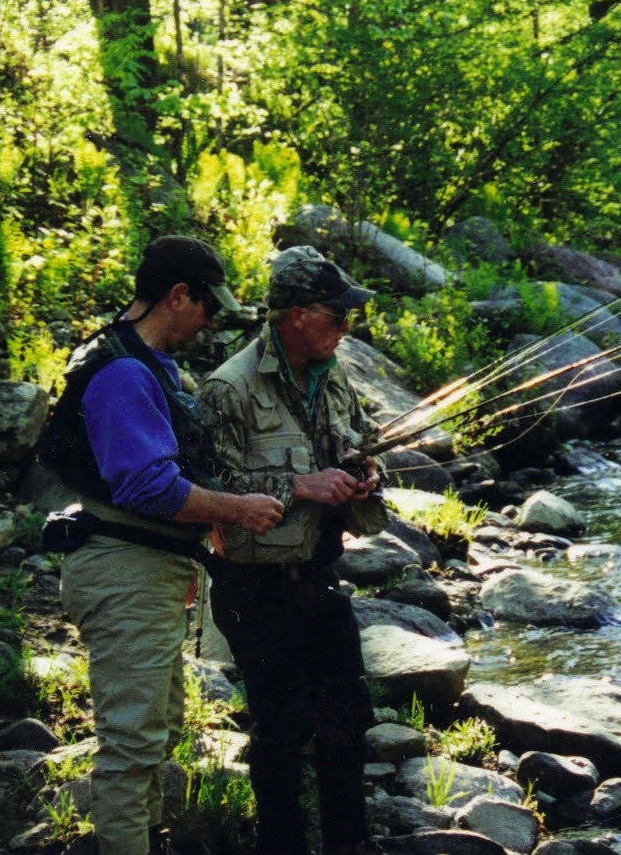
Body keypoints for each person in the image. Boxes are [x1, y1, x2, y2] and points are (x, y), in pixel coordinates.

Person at [41, 235, 285, 855]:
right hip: (124, 569)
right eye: (207, 309)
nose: (210, 325)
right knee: (131, 740)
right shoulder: (124, 372)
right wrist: (238, 510)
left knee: (161, 723)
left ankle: (148, 837)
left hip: (149, 567)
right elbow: (147, 484)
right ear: (179, 296)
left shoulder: (144, 363)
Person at [198, 246, 389, 855]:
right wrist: (301, 486)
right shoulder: (227, 388)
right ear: (298, 315)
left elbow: (359, 440)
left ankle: (348, 843)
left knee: (346, 721)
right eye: (337, 315)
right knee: (281, 729)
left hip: (319, 579)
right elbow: (205, 491)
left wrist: (365, 472)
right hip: (254, 588)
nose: (346, 327)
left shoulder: (334, 375)